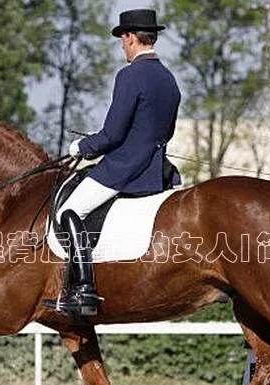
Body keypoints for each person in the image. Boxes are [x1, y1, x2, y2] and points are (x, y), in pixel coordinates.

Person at [42, 8, 182, 316]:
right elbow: (166, 130)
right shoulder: (169, 79)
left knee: (69, 210)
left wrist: (83, 146)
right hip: (158, 168)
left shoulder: (130, 75)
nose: (122, 45)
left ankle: (83, 290)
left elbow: (113, 133)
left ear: (130, 37)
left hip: (126, 169)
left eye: (123, 39)